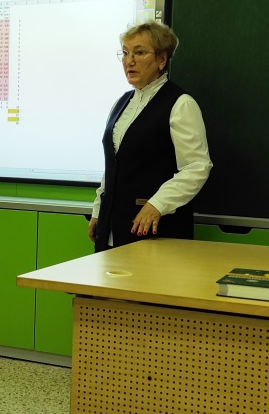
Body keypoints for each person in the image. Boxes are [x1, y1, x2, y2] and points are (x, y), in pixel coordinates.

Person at [88, 21, 212, 252]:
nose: (129, 61)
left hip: (156, 231)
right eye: (125, 53)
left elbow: (197, 167)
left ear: (161, 59)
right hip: (111, 229)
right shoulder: (122, 103)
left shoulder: (180, 104)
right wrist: (98, 210)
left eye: (139, 52)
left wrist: (157, 204)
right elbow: (114, 164)